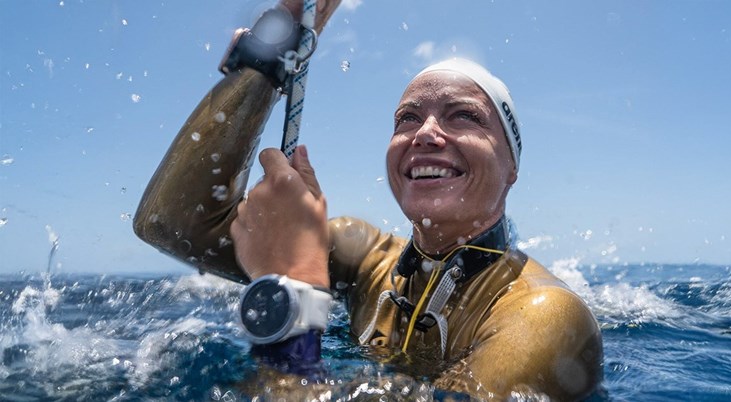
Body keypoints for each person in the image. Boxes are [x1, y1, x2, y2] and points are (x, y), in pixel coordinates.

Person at [134, 0, 603, 399]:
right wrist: (270, 52)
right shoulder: (366, 260)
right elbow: (168, 222)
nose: (425, 134)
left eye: (463, 116)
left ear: (512, 168)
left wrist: (296, 287)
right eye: (407, 118)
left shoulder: (544, 316)